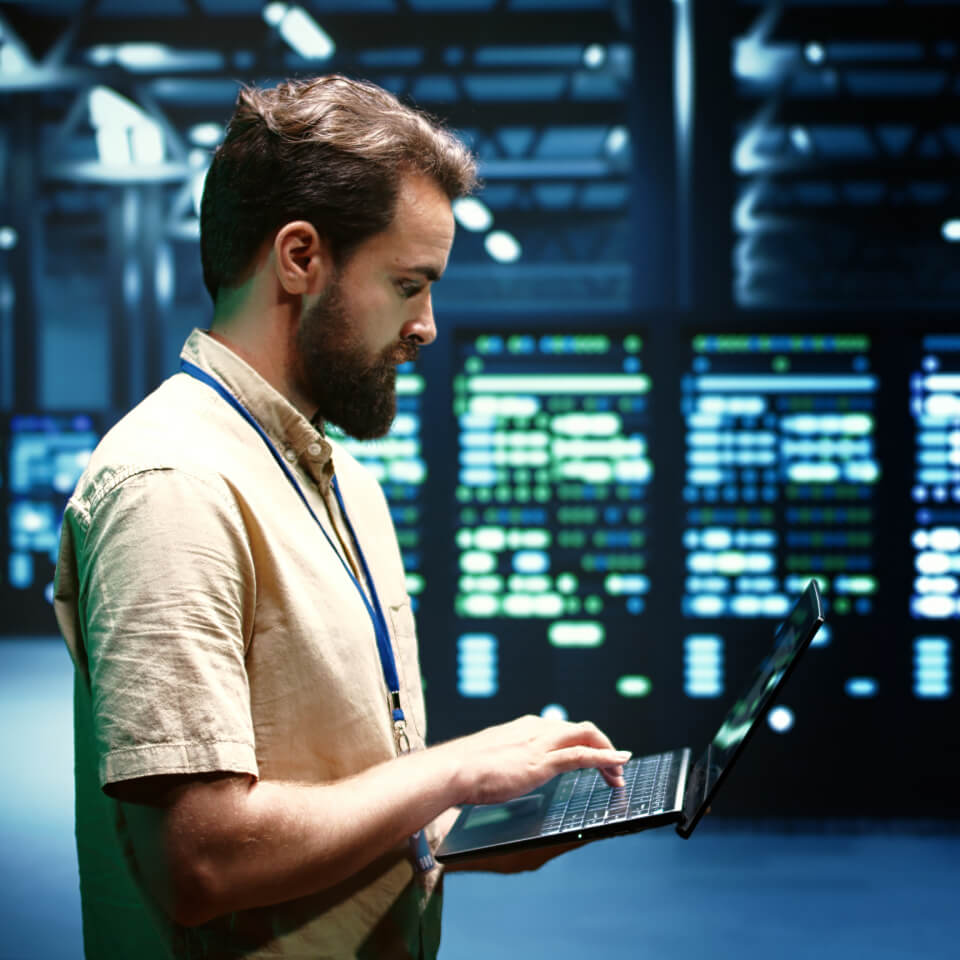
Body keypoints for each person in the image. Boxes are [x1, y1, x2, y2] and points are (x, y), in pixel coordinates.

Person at [54, 75, 630, 959]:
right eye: (408, 284)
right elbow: (203, 860)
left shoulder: (341, 481)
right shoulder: (172, 483)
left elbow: (339, 785)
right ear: (299, 258)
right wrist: (454, 770)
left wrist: (459, 826)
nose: (428, 326)